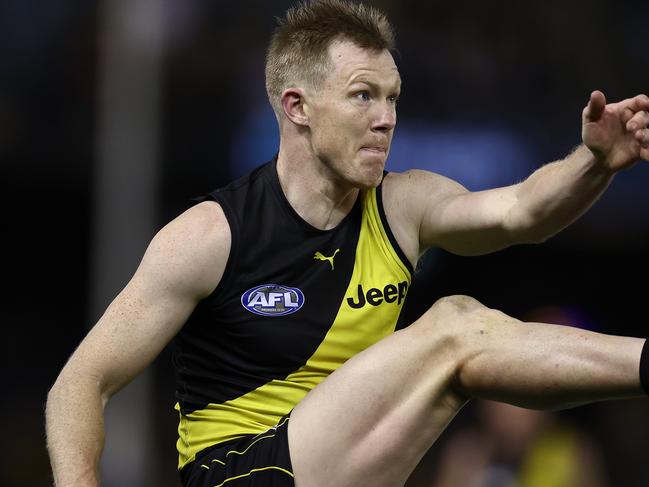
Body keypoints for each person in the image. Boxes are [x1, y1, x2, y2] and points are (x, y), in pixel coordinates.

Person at [46, 1, 649, 486]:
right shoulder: (211, 234)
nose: (386, 118)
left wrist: (595, 164)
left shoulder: (403, 204)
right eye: (364, 95)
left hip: (334, 466)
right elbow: (79, 384)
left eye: (392, 98)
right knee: (455, 326)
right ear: (297, 107)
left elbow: (522, 211)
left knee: (458, 338)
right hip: (240, 473)